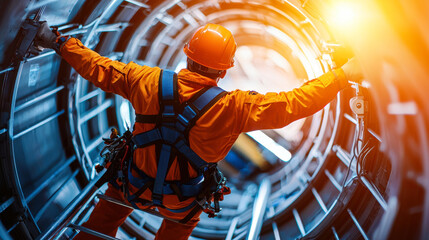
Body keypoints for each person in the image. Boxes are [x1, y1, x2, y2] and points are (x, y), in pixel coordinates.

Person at [35, 22, 363, 239]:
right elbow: (294, 103)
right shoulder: (235, 107)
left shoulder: (146, 80)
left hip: (130, 186)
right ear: (224, 70)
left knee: (103, 220)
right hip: (180, 204)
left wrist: (58, 41)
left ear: (187, 56)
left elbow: (97, 67)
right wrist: (341, 75)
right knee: (184, 219)